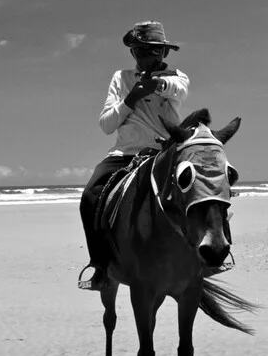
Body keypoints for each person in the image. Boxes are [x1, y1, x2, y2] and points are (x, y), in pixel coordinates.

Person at [78, 21, 190, 291]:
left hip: (164, 152)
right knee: (90, 196)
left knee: (206, 187)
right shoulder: (121, 78)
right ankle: (100, 265)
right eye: (138, 51)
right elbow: (106, 125)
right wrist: (131, 98)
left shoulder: (177, 76)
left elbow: (179, 90)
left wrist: (156, 84)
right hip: (125, 154)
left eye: (151, 51)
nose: (144, 57)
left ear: (163, 53)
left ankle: (211, 254)